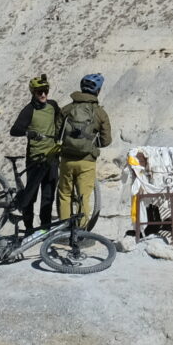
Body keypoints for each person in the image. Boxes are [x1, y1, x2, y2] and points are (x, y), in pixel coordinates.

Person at [57, 72, 113, 231]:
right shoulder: (100, 113)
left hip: (67, 159)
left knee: (65, 195)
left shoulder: (67, 109)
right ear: (98, 91)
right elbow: (106, 140)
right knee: (84, 197)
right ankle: (80, 234)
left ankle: (64, 231)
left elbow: (57, 133)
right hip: (87, 161)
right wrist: (93, 143)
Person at [7, 75, 61, 228]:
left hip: (52, 158)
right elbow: (14, 130)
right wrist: (27, 133)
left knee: (48, 195)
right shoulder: (28, 110)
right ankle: (29, 227)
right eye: (39, 92)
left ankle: (45, 228)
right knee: (30, 195)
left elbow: (60, 119)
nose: (43, 94)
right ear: (33, 93)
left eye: (45, 91)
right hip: (35, 159)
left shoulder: (53, 106)